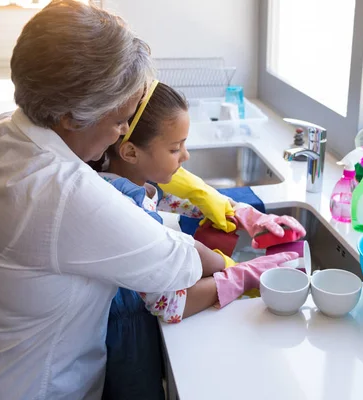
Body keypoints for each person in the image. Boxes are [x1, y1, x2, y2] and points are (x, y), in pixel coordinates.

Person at [0, 2, 296, 399]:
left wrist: (234, 209)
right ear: (71, 116)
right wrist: (245, 270)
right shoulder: (64, 194)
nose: (122, 132)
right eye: (119, 120)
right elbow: (179, 266)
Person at [94, 80, 305, 399]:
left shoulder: (130, 181)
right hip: (125, 344)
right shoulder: (124, 210)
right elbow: (168, 303)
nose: (186, 156)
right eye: (175, 148)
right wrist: (239, 276)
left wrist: (244, 214)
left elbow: (173, 200)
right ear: (130, 151)